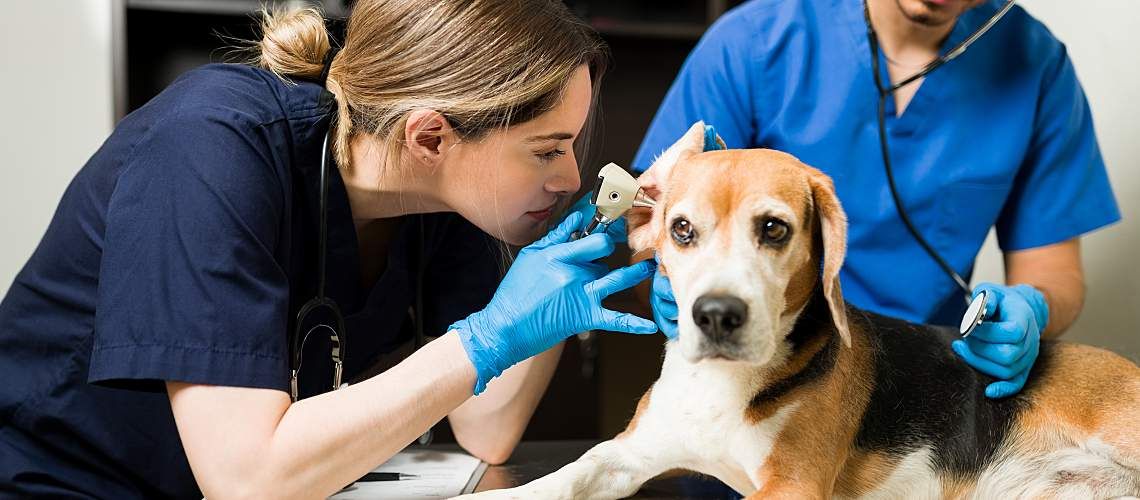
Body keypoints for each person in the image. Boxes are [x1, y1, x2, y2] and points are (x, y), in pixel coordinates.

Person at [0, 1, 658, 497]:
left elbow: (485, 426)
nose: (573, 178)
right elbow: (248, 480)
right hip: (56, 481)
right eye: (547, 149)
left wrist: (557, 278)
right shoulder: (210, 146)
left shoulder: (439, 197)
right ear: (429, 138)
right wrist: (486, 338)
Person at [635, 0, 1119, 399]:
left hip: (924, 381)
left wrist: (1031, 309)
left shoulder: (1035, 65)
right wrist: (665, 279)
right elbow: (653, 223)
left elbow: (1054, 270)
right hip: (758, 372)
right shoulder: (754, 42)